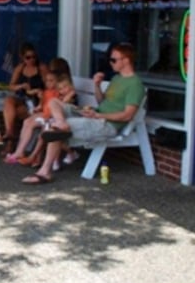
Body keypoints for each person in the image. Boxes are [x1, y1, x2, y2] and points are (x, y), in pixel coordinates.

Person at [22, 43, 144, 184]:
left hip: (107, 125)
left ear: (126, 60)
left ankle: (45, 172)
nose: (111, 63)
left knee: (55, 128)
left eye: (114, 60)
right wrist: (97, 86)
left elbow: (127, 115)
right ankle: (61, 123)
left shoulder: (135, 84)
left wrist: (99, 116)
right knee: (54, 102)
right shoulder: (117, 79)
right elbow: (102, 102)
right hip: (95, 116)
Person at [1, 43, 47, 153]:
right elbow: (11, 86)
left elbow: (49, 86)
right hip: (23, 99)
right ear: (22, 58)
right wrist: (21, 86)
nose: (31, 60)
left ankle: (10, 141)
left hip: (37, 102)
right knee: (9, 101)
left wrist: (37, 91)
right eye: (28, 57)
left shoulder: (41, 68)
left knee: (13, 112)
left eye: (33, 57)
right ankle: (10, 133)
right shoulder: (20, 68)